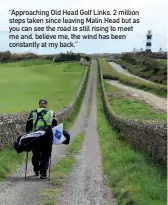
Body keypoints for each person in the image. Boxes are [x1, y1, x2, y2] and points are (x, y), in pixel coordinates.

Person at [25, 99, 58, 179]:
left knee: (36, 154)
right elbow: (55, 125)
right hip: (47, 136)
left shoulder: (33, 112)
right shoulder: (51, 113)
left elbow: (29, 124)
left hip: (36, 136)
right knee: (46, 155)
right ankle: (43, 173)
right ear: (46, 105)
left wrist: (28, 134)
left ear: (39, 104)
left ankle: (36, 169)